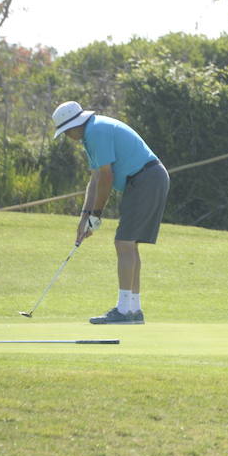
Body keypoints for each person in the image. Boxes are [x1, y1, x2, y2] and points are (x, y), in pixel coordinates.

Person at [51, 101, 170, 325]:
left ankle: (125, 310)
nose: (66, 136)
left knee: (124, 242)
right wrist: (85, 216)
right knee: (129, 244)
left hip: (146, 179)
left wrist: (97, 214)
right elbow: (95, 178)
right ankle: (133, 309)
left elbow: (107, 178)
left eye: (66, 131)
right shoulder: (91, 133)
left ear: (75, 125)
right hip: (147, 179)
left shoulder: (95, 132)